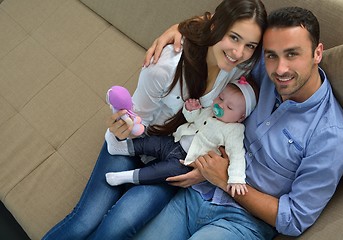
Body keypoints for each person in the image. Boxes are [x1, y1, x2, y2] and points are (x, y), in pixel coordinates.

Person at [42, 0, 267, 239]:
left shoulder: (240, 67)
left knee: (118, 225)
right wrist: (122, 127)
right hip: (135, 142)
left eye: (250, 45)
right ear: (215, 27)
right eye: (234, 38)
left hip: (177, 157)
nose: (238, 53)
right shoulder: (165, 66)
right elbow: (137, 124)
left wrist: (203, 171)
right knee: (85, 221)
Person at [134, 6, 343, 239]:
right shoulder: (263, 68)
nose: (280, 69)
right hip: (197, 192)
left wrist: (224, 179)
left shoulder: (333, 139)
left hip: (243, 222)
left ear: (317, 52)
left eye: (292, 54)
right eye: (271, 55)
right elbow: (225, 31)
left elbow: (293, 219)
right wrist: (180, 30)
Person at [105, 79, 257, 197]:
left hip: (186, 162)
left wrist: (236, 178)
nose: (221, 106)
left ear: (241, 117)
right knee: (150, 143)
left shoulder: (234, 130)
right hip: (175, 141)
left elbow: (237, 155)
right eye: (221, 98)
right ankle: (120, 147)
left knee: (159, 172)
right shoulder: (210, 111)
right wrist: (190, 109)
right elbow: (193, 119)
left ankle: (124, 177)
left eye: (229, 107)